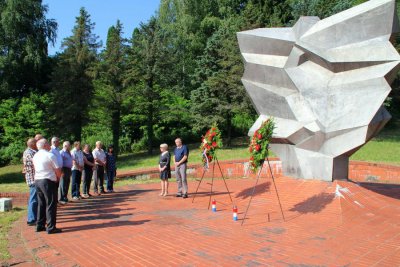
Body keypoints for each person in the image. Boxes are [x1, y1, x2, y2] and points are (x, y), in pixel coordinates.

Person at [32, 139, 62, 234]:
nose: (50, 145)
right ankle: (51, 227)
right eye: (48, 143)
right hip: (48, 180)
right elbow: (57, 169)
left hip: (38, 180)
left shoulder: (35, 155)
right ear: (45, 145)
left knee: (41, 203)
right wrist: (58, 178)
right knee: (51, 203)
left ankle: (40, 225)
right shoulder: (50, 155)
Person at [23, 138, 38, 226]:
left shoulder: (32, 152)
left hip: (34, 178)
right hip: (33, 179)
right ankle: (31, 219)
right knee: (33, 199)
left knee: (35, 198)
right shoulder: (29, 153)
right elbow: (36, 164)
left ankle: (34, 217)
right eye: (35, 143)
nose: (37, 144)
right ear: (32, 144)